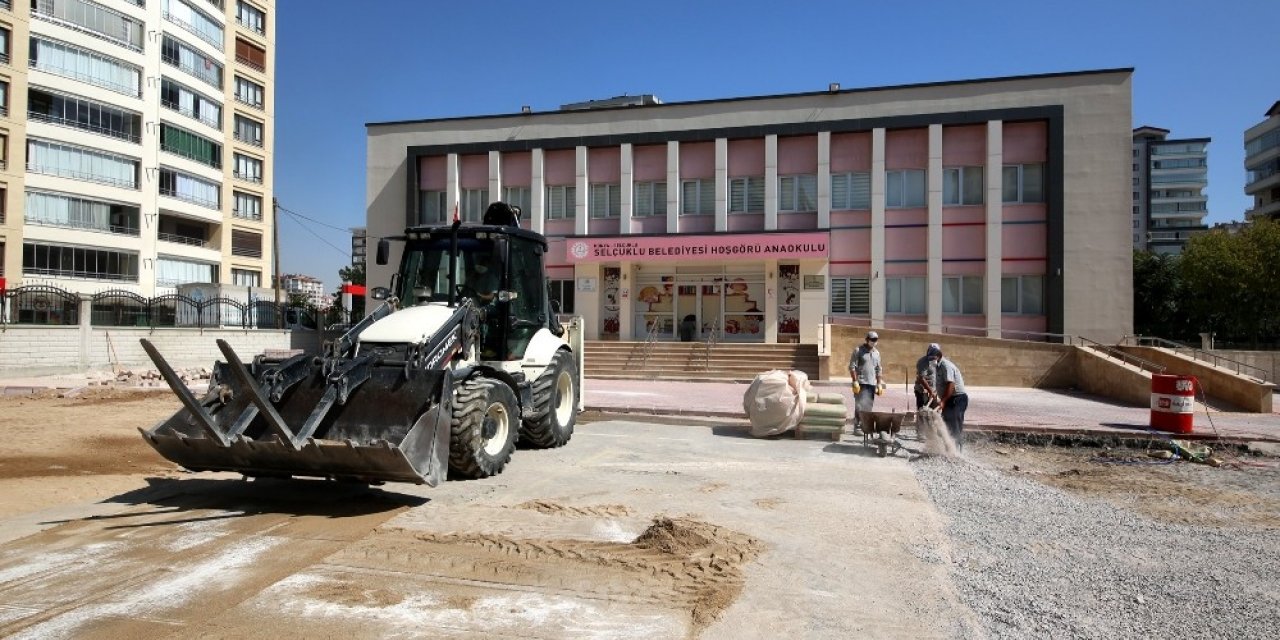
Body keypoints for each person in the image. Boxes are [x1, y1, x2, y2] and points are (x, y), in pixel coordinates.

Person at [934, 346, 968, 451]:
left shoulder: (946, 365)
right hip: (950, 399)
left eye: (932, 358)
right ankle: (949, 448)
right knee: (946, 422)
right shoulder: (938, 367)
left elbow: (951, 384)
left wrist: (943, 401)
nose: (931, 360)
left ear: (939, 356)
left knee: (954, 424)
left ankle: (956, 451)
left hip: (957, 399)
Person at [848, 331, 883, 432]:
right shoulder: (858, 350)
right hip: (861, 382)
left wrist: (879, 384)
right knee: (859, 405)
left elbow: (878, 369)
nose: (874, 342)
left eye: (875, 340)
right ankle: (857, 426)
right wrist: (855, 381)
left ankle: (865, 425)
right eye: (872, 340)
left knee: (869, 405)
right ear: (867, 339)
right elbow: (852, 367)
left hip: (871, 383)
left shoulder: (876, 353)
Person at [915, 343, 941, 410]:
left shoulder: (939, 362)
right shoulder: (922, 362)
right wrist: (930, 392)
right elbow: (921, 378)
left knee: (934, 411)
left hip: (934, 390)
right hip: (923, 391)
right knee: (923, 411)